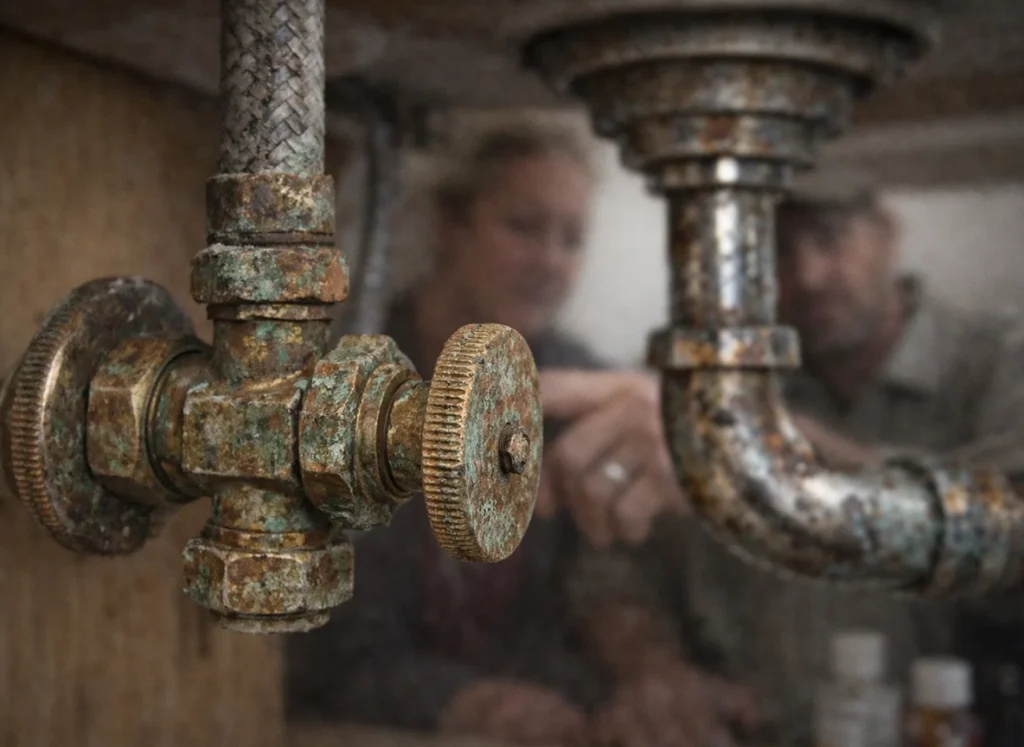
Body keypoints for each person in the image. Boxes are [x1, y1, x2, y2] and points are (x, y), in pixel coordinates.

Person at [285, 118, 753, 747]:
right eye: (525, 228)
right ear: (451, 226)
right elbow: (320, 645)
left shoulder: (584, 387)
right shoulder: (355, 375)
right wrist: (464, 701)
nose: (551, 262)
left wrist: (650, 681)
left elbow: (610, 588)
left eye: (572, 239)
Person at [541, 170, 1024, 745]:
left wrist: (758, 447)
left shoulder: (995, 365)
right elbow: (614, 578)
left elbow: (1003, 528)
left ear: (888, 233)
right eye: (775, 250)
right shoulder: (715, 379)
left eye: (829, 237)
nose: (808, 275)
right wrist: (655, 673)